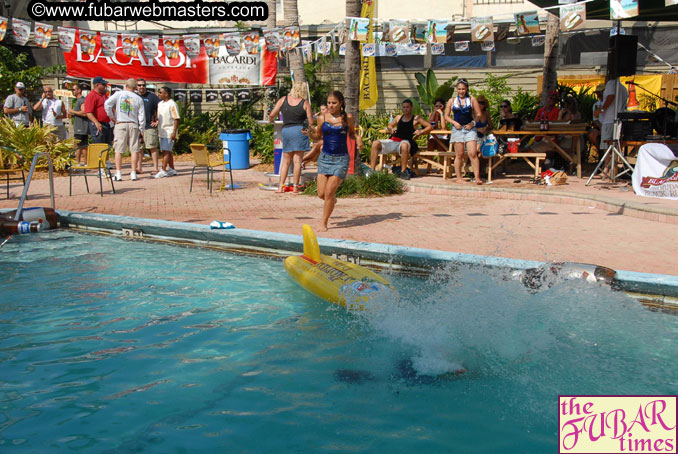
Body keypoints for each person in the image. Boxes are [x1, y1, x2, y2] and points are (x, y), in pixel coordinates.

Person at [307, 91, 363, 232]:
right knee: (321, 194)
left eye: (334, 103)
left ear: (341, 103)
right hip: (325, 158)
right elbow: (317, 136)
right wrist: (309, 134)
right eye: (329, 103)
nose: (331, 105)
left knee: (329, 193)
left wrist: (358, 138)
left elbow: (351, 133)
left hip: (341, 159)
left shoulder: (347, 118)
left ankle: (323, 223)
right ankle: (331, 201)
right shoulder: (321, 118)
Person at [268, 81, 314, 193]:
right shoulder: (305, 103)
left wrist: (271, 121)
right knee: (297, 161)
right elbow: (311, 121)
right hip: (299, 131)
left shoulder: (283, 99)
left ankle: (280, 187)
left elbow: (272, 114)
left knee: (286, 161)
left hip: (287, 130)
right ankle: (295, 187)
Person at [370, 99, 432, 180]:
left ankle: (403, 171)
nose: (405, 109)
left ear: (411, 108)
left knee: (404, 145)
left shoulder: (416, 119)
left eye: (407, 107)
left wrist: (421, 131)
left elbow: (430, 126)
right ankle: (372, 171)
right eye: (404, 107)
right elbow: (389, 126)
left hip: (405, 141)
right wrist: (391, 129)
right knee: (375, 143)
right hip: (394, 140)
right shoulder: (398, 117)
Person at [104, 78, 145, 181]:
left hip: (121, 123)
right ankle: (133, 172)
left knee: (119, 149)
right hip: (133, 124)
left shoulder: (119, 94)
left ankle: (118, 173)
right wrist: (141, 129)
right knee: (134, 149)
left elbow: (107, 104)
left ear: (126, 86)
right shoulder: (138, 98)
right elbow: (142, 116)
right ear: (135, 88)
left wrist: (111, 116)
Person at [444, 78, 483, 184]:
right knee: (459, 154)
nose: (461, 91)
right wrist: (454, 123)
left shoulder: (471, 99)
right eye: (459, 89)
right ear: (456, 89)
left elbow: (479, 114)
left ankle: (477, 177)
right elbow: (446, 116)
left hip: (469, 128)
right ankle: (459, 178)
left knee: (472, 153)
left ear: (466, 89)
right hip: (457, 129)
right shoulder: (452, 101)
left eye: (463, 89)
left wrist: (472, 123)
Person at [136, 79, 162, 176]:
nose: (141, 87)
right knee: (139, 148)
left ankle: (155, 168)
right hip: (137, 127)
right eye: (139, 85)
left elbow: (160, 106)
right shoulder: (134, 96)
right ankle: (139, 168)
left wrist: (157, 120)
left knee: (152, 147)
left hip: (149, 126)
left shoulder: (152, 96)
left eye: (143, 85)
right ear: (136, 86)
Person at [154, 87, 180, 178]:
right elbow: (159, 117)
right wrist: (156, 122)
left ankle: (163, 170)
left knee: (166, 151)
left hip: (169, 131)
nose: (159, 94)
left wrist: (174, 132)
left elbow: (176, 119)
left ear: (166, 94)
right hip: (161, 131)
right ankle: (172, 169)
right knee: (167, 151)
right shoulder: (160, 104)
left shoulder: (172, 104)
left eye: (161, 92)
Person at [530, 90, 561, 163]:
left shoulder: (558, 111)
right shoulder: (541, 111)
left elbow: (555, 125)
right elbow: (535, 123)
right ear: (547, 98)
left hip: (550, 139)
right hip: (538, 137)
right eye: (551, 98)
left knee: (531, 151)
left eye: (554, 99)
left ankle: (544, 165)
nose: (552, 100)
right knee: (526, 149)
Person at [85, 76, 113, 145]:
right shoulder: (91, 95)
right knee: (99, 146)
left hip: (107, 124)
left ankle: (106, 156)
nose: (105, 86)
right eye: (103, 84)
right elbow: (89, 113)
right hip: (98, 124)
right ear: (97, 85)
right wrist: (96, 123)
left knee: (107, 146)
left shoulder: (104, 95)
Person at [69, 83, 90, 165]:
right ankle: (85, 162)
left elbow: (84, 112)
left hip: (81, 127)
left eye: (74, 90)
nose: (72, 91)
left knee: (79, 145)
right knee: (83, 145)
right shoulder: (78, 100)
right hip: (80, 126)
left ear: (79, 90)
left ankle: (78, 162)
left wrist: (72, 111)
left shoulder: (81, 100)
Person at [587, 84, 605, 159]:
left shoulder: (609, 103)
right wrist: (601, 127)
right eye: (597, 93)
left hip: (609, 125)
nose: (598, 95)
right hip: (600, 126)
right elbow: (595, 120)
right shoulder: (596, 105)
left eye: (600, 92)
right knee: (592, 134)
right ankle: (601, 151)